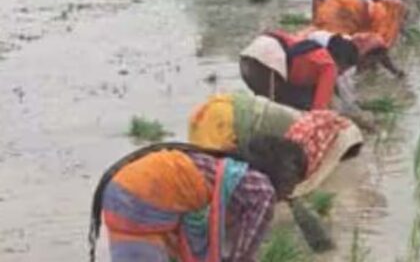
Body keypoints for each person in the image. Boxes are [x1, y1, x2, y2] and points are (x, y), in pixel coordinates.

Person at [89, 136, 307, 262]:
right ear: (283, 174)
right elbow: (242, 255)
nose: (288, 194)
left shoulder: (225, 171)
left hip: (118, 189)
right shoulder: (262, 190)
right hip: (146, 194)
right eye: (292, 185)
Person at [188, 92, 365, 196]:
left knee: (203, 168)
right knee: (212, 175)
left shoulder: (314, 126)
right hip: (225, 122)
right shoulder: (305, 145)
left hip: (221, 109)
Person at [239, 29, 359, 111]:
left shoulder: (311, 48)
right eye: (343, 69)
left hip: (248, 56)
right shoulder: (329, 66)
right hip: (269, 62)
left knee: (263, 108)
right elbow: (319, 110)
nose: (341, 74)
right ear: (340, 61)